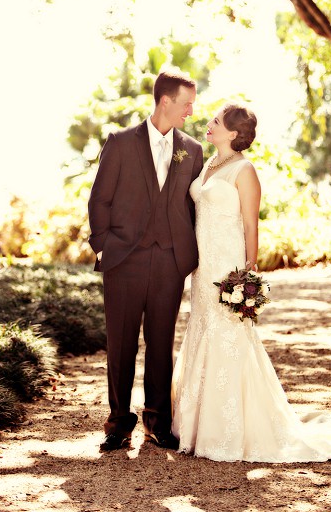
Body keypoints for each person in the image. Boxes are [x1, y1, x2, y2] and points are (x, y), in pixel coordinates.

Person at [172, 103, 331, 462]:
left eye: (215, 121)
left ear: (232, 133)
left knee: (229, 334)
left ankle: (229, 430)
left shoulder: (245, 170)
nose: (208, 125)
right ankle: (194, 425)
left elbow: (250, 224)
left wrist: (248, 273)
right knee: (201, 328)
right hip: (201, 266)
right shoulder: (208, 165)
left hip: (227, 264)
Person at [88, 69, 203, 452]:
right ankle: (119, 424)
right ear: (165, 101)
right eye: (187, 102)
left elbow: (193, 206)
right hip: (123, 259)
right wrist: (103, 246)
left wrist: (186, 255)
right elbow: (99, 198)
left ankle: (158, 421)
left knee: (160, 343)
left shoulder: (192, 149)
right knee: (121, 345)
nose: (191, 110)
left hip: (169, 262)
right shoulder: (120, 142)